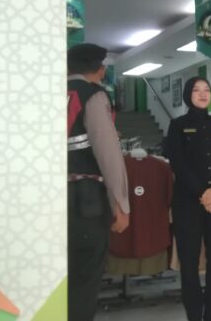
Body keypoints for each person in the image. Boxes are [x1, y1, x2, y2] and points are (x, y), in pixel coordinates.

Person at [67, 43, 130, 320]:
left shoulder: (47, 93)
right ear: (99, 69)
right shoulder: (93, 95)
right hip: (85, 201)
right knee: (84, 281)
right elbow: (108, 153)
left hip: (48, 199)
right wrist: (120, 204)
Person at [166, 77, 211, 321]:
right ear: (188, 95)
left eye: (207, 90)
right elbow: (178, 164)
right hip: (187, 203)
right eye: (196, 90)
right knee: (189, 265)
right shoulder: (178, 125)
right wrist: (203, 193)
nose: (203, 94)